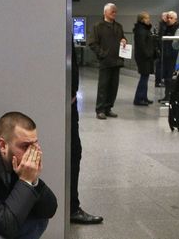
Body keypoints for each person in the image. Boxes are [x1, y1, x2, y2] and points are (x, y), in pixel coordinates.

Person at [70, 39, 104, 224]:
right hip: (64, 99)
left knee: (74, 152)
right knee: (73, 152)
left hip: (68, 98)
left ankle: (71, 205)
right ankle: (71, 207)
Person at [88, 3, 127, 120]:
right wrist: (102, 54)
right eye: (112, 12)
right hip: (105, 61)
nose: (114, 14)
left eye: (115, 12)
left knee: (113, 86)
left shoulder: (118, 26)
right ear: (105, 13)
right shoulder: (98, 26)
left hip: (117, 61)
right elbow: (92, 43)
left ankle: (108, 108)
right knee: (103, 86)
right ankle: (100, 109)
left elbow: (123, 38)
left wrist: (124, 40)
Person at [133, 11, 156, 106]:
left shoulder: (144, 29)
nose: (148, 20)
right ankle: (138, 98)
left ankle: (143, 97)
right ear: (142, 20)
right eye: (146, 18)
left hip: (146, 57)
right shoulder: (141, 30)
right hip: (143, 57)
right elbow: (142, 45)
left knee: (145, 77)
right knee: (143, 77)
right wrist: (148, 54)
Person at [158, 11, 179, 103]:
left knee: (172, 78)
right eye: (168, 18)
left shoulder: (178, 29)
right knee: (167, 78)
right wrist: (163, 23)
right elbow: (160, 37)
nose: (169, 20)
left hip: (174, 57)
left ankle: (172, 96)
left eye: (171, 18)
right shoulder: (165, 28)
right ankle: (167, 95)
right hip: (166, 56)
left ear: (175, 19)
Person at [154, 11, 168, 87]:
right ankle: (158, 81)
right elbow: (159, 39)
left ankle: (159, 81)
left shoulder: (161, 25)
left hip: (161, 48)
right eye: (166, 17)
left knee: (160, 66)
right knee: (159, 66)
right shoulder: (162, 26)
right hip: (161, 49)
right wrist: (159, 49)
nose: (167, 18)